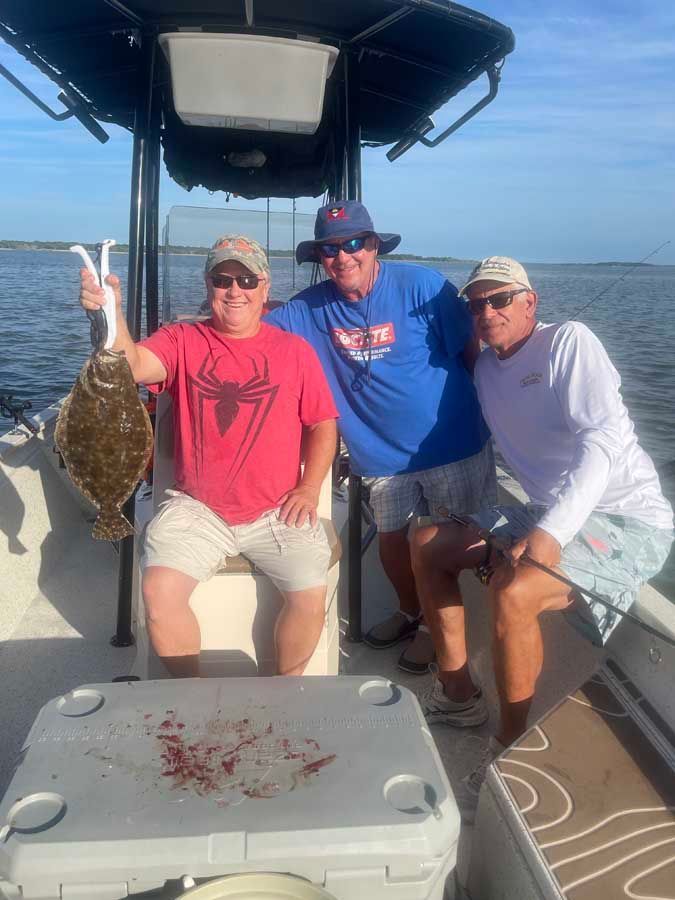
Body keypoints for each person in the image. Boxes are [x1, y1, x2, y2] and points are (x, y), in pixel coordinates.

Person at [411, 256, 674, 809]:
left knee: (514, 590)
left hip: (627, 517)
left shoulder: (569, 342)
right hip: (543, 508)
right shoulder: (484, 370)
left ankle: (506, 749)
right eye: (476, 303)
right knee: (427, 543)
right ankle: (459, 692)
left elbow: (601, 442)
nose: (486, 310)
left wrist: (551, 533)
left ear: (531, 301)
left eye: (500, 298)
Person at [79, 235, 338, 678]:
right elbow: (132, 365)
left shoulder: (295, 352)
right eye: (222, 279)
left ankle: (285, 689)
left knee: (310, 593)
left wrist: (309, 488)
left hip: (278, 509)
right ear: (208, 285)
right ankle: (193, 693)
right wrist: (110, 311)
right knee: (159, 594)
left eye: (246, 279)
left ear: (264, 286)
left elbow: (322, 425)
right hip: (197, 507)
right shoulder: (182, 340)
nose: (235, 290)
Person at [266, 201, 496, 673]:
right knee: (393, 542)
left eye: (354, 244)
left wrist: (497, 419)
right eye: (330, 249)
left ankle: (435, 631)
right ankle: (411, 612)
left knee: (437, 546)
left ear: (373, 246)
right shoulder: (310, 309)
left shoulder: (424, 286)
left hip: (449, 446)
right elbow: (250, 332)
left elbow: (472, 353)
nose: (343, 256)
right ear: (320, 258)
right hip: (379, 458)